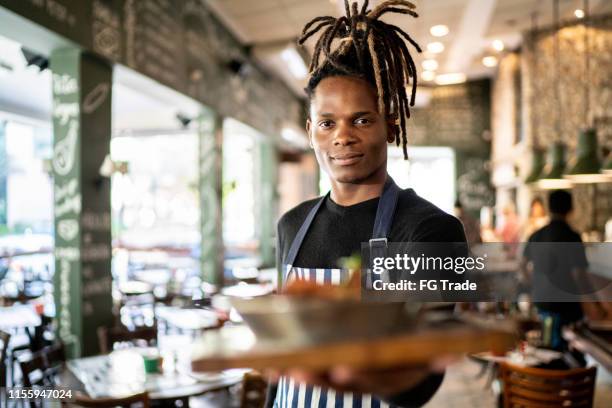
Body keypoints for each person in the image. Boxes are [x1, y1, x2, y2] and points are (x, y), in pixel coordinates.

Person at [267, 1, 467, 406]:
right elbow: (283, 355)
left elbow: (425, 380)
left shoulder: (434, 230)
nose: (343, 137)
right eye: (328, 123)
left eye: (361, 119)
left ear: (390, 125)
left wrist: (374, 376)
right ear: (310, 132)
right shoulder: (291, 224)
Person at [522, 190, 587, 352]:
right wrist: (596, 304)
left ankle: (548, 373)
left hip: (541, 300)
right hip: (566, 305)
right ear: (571, 209)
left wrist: (534, 284)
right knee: (565, 350)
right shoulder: (572, 237)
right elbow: (579, 275)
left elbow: (521, 265)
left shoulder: (536, 235)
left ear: (549, 208)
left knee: (546, 346)